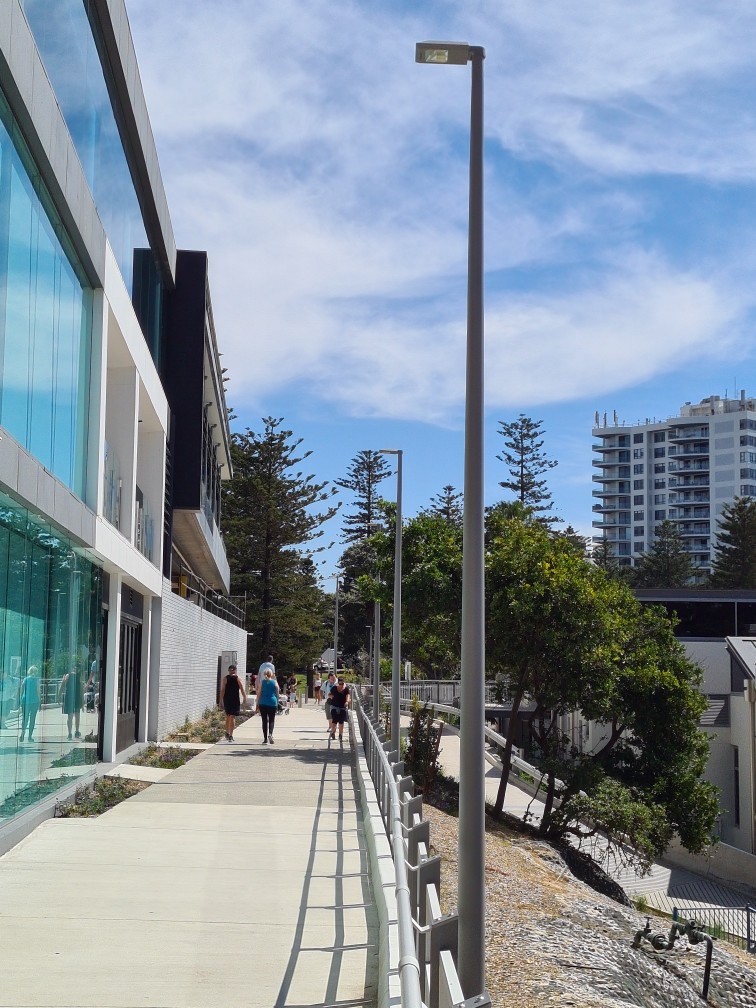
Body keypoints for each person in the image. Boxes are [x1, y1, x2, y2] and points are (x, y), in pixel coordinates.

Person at [219, 664, 245, 742]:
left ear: (229, 670)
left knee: (228, 716)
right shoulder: (238, 678)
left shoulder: (225, 679)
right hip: (235, 699)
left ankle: (227, 732)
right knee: (232, 716)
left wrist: (220, 701)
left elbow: (222, 690)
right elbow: (242, 688)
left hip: (227, 699)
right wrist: (244, 697)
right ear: (235, 670)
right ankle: (230, 735)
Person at [59, 666, 83, 740]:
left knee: (70, 716)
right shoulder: (79, 676)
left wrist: (59, 694)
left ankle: (70, 733)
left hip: (69, 697)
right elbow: (81, 687)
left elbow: (63, 685)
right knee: (77, 715)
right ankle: (77, 731)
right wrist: (82, 698)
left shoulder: (68, 675)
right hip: (77, 697)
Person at [257, 668, 280, 744]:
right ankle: (270, 734)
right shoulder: (274, 682)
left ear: (264, 675)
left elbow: (259, 693)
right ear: (272, 674)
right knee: (271, 720)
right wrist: (277, 702)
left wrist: (257, 703)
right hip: (272, 702)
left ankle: (265, 739)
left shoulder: (262, 682)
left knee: (264, 721)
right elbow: (277, 693)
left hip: (263, 702)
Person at [19, 665, 41, 742]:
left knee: (25, 718)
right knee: (32, 719)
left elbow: (21, 690)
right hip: (34, 701)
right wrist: (40, 701)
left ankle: (22, 733)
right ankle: (29, 736)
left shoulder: (25, 679)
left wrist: (20, 699)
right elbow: (38, 691)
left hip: (25, 701)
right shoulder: (36, 680)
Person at [329, 676, 351, 742]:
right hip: (334, 707)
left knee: (341, 721)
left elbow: (348, 696)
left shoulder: (346, 689)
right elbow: (329, 694)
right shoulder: (334, 688)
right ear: (338, 683)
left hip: (342, 707)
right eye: (339, 683)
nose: (340, 685)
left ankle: (340, 735)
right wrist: (331, 696)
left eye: (342, 684)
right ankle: (333, 732)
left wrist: (347, 702)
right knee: (334, 721)